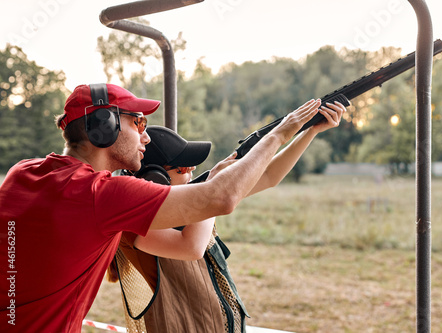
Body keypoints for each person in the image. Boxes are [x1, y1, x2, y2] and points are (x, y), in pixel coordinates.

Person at [0, 82, 344, 332]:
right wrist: (280, 134)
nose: (144, 136)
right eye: (137, 123)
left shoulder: (24, 172)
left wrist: (306, 132)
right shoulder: (99, 194)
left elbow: (257, 180)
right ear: (102, 126)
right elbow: (220, 200)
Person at [110, 88, 346, 333]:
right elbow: (191, 246)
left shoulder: (190, 200)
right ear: (155, 178)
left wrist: (309, 131)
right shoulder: (133, 222)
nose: (191, 171)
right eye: (183, 168)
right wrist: (214, 187)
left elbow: (268, 175)